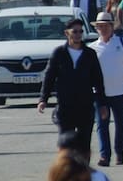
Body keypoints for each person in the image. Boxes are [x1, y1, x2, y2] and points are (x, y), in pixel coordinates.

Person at [39, 18, 108, 149]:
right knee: (65, 144)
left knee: (84, 144)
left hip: (85, 106)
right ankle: (66, 168)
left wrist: (102, 103)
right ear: (67, 33)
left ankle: (82, 168)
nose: (78, 34)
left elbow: (98, 80)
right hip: (65, 106)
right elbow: (49, 76)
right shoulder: (59, 53)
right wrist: (43, 98)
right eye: (74, 31)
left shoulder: (89, 54)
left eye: (80, 31)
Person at [91, 12, 123, 166]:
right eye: (100, 26)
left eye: (106, 26)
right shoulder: (92, 48)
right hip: (100, 94)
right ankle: (105, 155)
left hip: (121, 91)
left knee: (121, 123)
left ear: (112, 27)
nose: (103, 29)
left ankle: (119, 152)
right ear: (97, 28)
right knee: (101, 124)